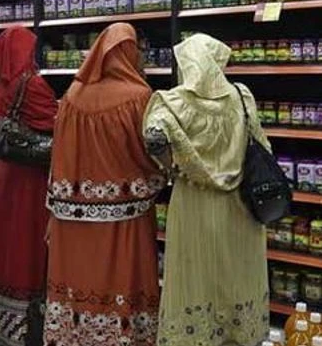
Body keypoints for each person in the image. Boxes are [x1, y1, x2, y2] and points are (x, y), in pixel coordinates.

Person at [143, 33, 271, 346]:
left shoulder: (173, 103)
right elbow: (262, 145)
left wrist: (173, 165)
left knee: (195, 273)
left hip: (195, 203)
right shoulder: (242, 96)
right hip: (242, 204)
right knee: (238, 273)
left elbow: (154, 139)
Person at [44, 22, 164, 346]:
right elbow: (148, 158)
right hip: (124, 222)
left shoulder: (71, 96)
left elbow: (58, 154)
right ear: (128, 52)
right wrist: (159, 176)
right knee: (123, 283)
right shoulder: (139, 96)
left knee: (76, 282)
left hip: (71, 221)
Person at [0, 26, 58, 346]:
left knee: (10, 244)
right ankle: (33, 321)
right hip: (32, 178)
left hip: (8, 175)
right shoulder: (32, 84)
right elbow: (54, 123)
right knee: (32, 243)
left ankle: (7, 321)